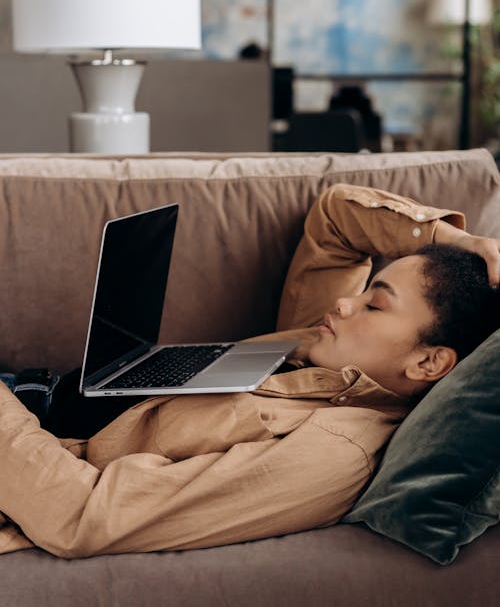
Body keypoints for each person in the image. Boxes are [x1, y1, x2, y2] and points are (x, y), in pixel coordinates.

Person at [0, 183, 499, 558]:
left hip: (22, 446)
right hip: (32, 392)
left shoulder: (330, 455)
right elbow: (337, 220)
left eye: (375, 306)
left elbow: (81, 516)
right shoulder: (326, 347)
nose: (347, 303)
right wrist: (455, 239)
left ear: (429, 361)